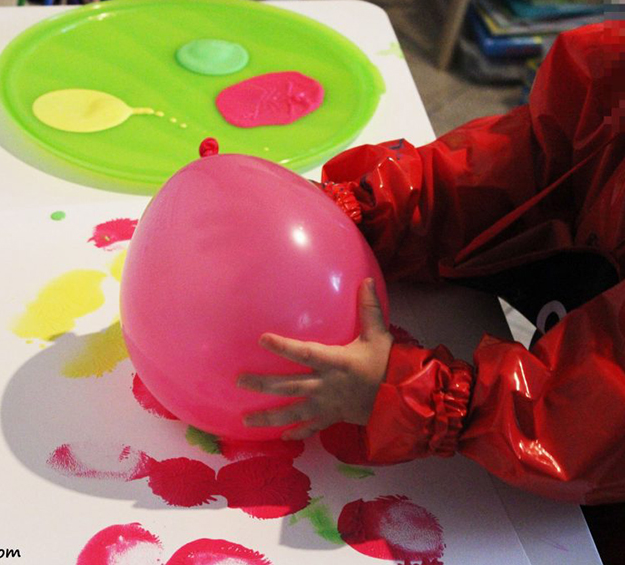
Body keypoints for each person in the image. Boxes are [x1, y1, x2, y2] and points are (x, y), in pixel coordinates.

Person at [237, 19, 625, 510]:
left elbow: (591, 434)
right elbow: (523, 163)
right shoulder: (612, 75)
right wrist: (372, 209)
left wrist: (424, 398)